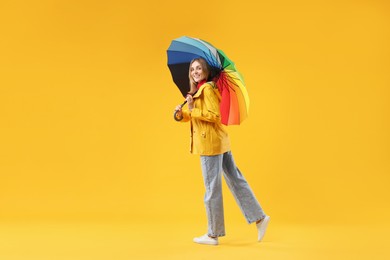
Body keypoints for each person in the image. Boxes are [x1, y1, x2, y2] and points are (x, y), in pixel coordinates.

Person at [174, 57, 270, 246]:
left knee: (211, 189)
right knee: (236, 179)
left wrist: (192, 110)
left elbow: (213, 116)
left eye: (199, 68)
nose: (195, 71)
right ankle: (259, 217)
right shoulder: (200, 90)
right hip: (219, 142)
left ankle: (213, 234)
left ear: (206, 71)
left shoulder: (207, 89)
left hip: (210, 145)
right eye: (192, 69)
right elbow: (199, 117)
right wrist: (182, 113)